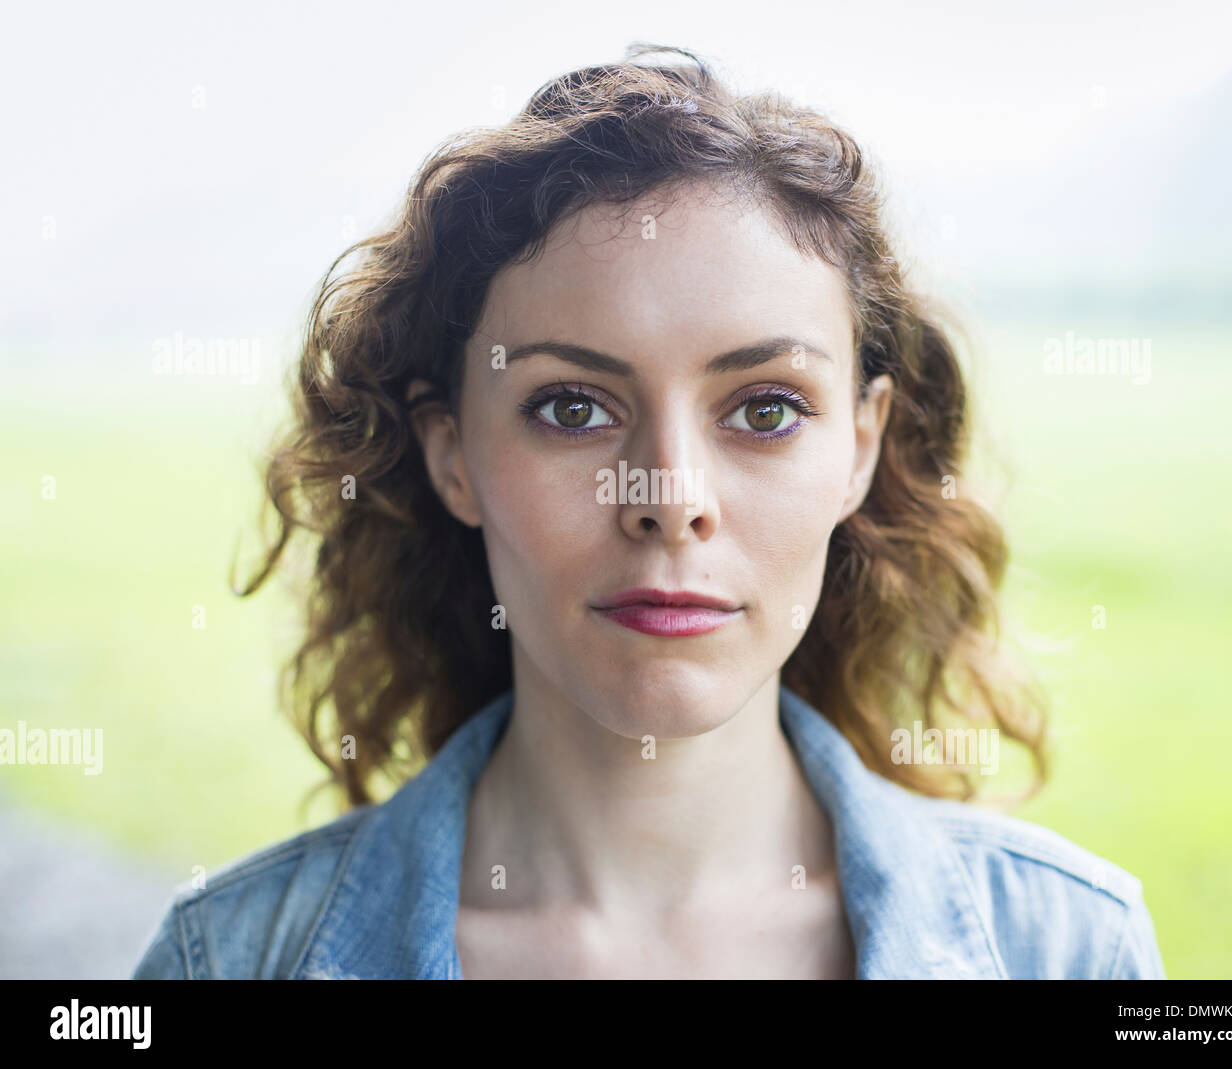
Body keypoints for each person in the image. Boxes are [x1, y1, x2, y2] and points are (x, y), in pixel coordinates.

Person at [131, 43, 1165, 980]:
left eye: (764, 408)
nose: (668, 499)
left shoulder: (1070, 948)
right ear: (452, 452)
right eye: (572, 407)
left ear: (860, 445)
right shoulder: (222, 960)